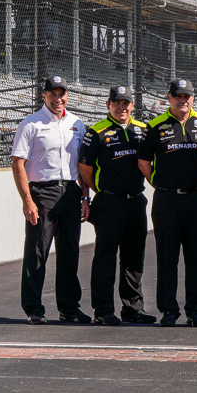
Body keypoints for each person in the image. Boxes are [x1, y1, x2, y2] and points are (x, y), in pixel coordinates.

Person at [12, 76, 88, 324]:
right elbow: (18, 164)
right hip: (42, 194)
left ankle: (69, 308)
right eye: (53, 94)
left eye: (61, 94)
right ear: (43, 96)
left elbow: (82, 165)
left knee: (69, 253)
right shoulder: (30, 124)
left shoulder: (77, 124)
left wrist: (85, 197)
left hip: (71, 193)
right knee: (37, 252)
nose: (58, 99)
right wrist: (27, 200)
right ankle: (34, 308)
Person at [140, 78, 197, 327]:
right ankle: (168, 310)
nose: (183, 100)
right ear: (169, 98)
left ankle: (196, 310)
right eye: (178, 96)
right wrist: (160, 183)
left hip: (196, 198)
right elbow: (143, 162)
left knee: (196, 257)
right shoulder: (155, 125)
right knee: (167, 256)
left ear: (193, 98)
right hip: (166, 199)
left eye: (187, 96)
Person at [77, 85, 154, 325]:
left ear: (132, 105)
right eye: (117, 103)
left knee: (134, 258)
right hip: (109, 202)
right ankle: (103, 310)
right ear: (108, 105)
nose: (121, 107)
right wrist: (98, 191)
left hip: (136, 201)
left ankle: (133, 308)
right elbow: (84, 169)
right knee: (105, 257)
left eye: (126, 103)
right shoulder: (96, 131)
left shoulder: (142, 130)